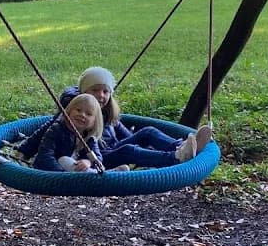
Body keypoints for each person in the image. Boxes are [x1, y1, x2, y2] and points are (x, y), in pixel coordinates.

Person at [20, 66, 213, 170]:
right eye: (95, 90)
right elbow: (47, 130)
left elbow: (124, 134)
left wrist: (144, 147)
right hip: (98, 156)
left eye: (105, 91)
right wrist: (23, 151)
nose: (101, 95)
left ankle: (180, 147)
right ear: (83, 93)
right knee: (129, 150)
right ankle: (175, 158)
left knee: (147, 132)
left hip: (110, 149)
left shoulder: (106, 112)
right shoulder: (76, 113)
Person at [33, 93, 105, 173]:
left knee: (97, 168)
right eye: (78, 110)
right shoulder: (57, 130)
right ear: (69, 112)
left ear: (94, 122)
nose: (82, 115)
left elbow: (98, 158)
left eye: (88, 114)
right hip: (51, 171)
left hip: (74, 172)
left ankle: (91, 175)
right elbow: (45, 154)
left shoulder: (90, 138)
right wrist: (61, 174)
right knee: (64, 159)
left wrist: (88, 162)